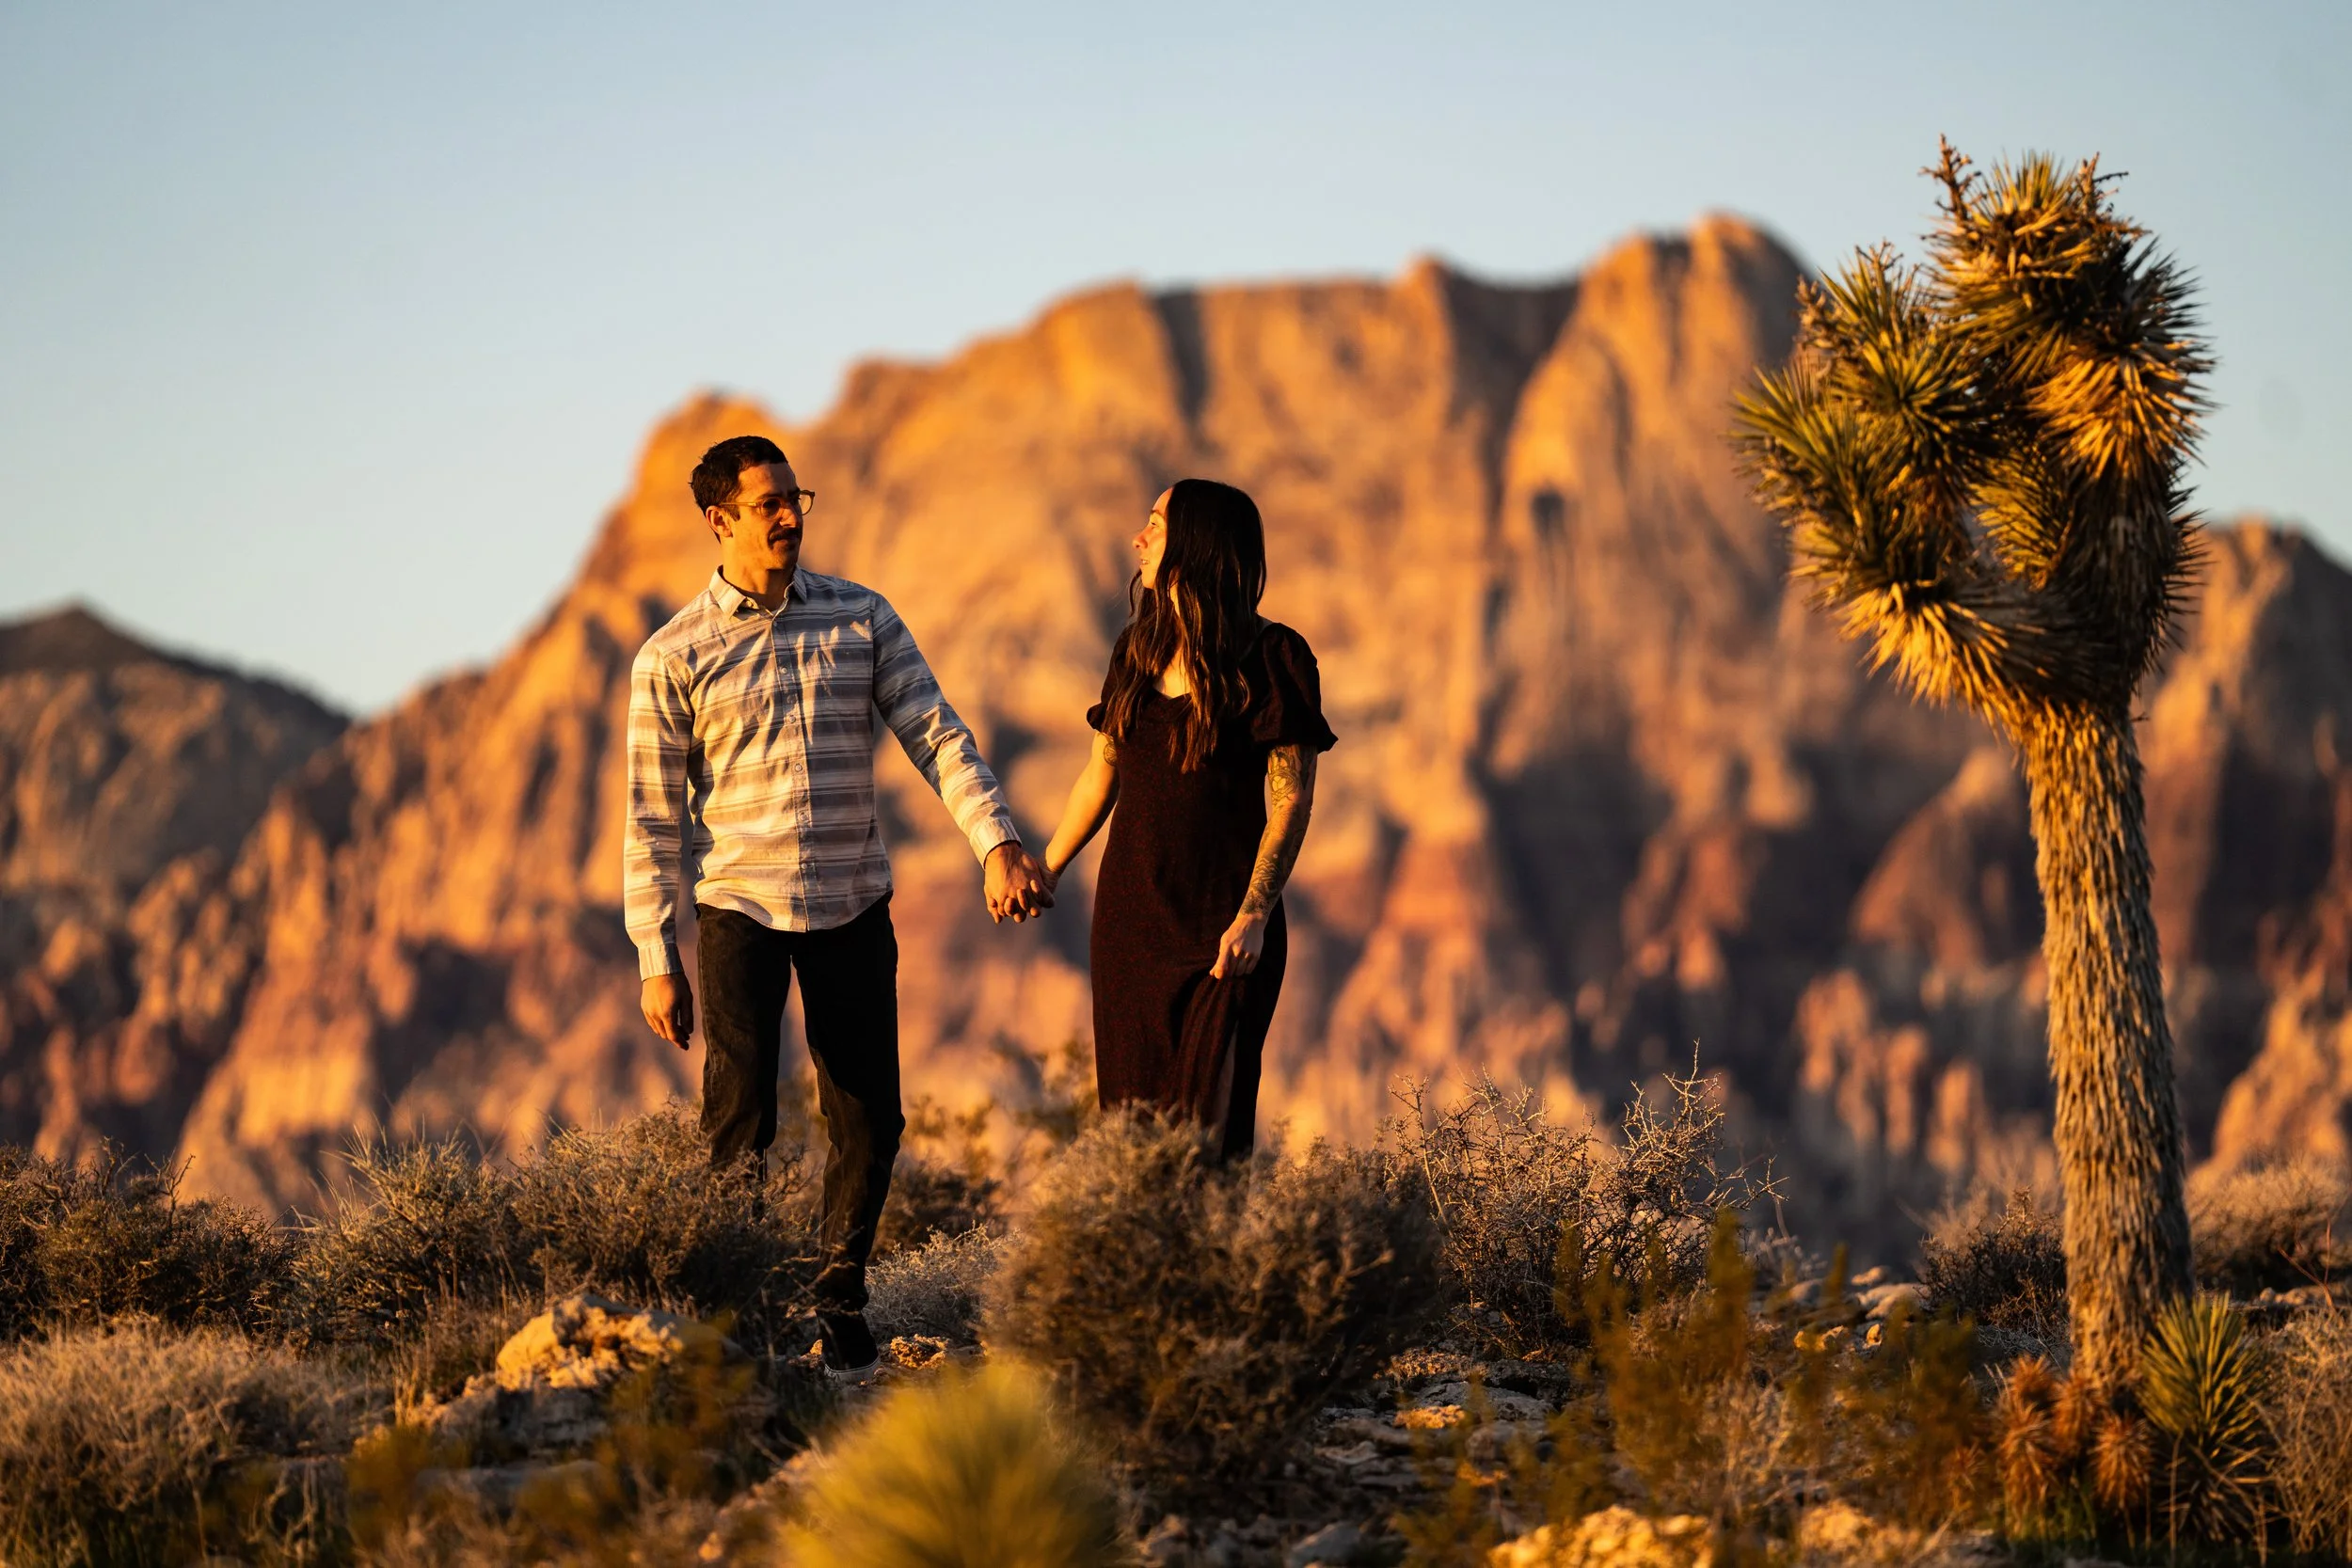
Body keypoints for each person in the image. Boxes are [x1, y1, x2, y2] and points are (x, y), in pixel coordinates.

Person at [623, 435, 1052, 1384]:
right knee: (740, 1121)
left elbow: (936, 733)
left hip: (852, 900)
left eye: (796, 498)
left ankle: (838, 1299)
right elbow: (651, 818)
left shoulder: (861, 617)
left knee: (869, 1118)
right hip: (739, 907)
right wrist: (655, 953)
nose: (790, 516)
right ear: (719, 521)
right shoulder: (672, 657)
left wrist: (995, 840)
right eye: (768, 504)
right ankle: (735, 1322)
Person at [1041, 479, 1334, 1158]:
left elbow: (1291, 800)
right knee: (1135, 1150)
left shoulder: (1274, 657)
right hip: (1130, 928)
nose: (1138, 538)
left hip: (1225, 931)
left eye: (1156, 524)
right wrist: (1047, 868)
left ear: (1196, 545)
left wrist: (1255, 915)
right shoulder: (1135, 651)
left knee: (1208, 1145)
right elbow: (1100, 774)